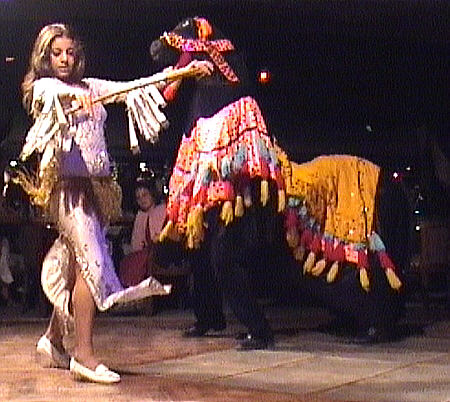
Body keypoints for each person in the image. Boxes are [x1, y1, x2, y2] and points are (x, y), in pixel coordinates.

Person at [16, 23, 212, 384]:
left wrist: (184, 71)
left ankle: (53, 339)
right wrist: (69, 99)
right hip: (68, 192)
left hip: (94, 192)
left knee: (75, 267)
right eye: (57, 53)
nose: (65, 59)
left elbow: (135, 86)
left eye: (70, 52)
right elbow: (51, 95)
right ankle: (84, 355)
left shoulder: (92, 87)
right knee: (91, 265)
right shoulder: (45, 87)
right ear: (45, 57)